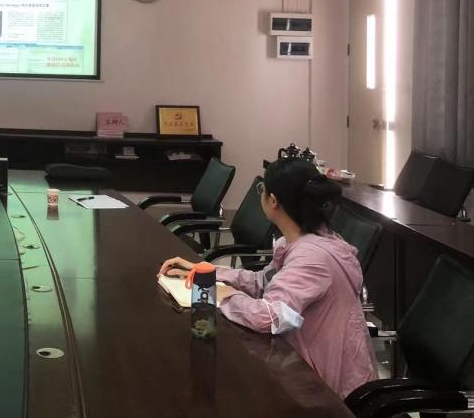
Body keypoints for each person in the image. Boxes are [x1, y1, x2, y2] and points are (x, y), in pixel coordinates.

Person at [159, 157, 376, 398]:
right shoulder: (306, 238)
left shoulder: (311, 258)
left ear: (273, 201)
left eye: (261, 189)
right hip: (302, 365)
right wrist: (208, 272)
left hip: (325, 389)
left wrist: (224, 295)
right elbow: (264, 282)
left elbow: (268, 317)